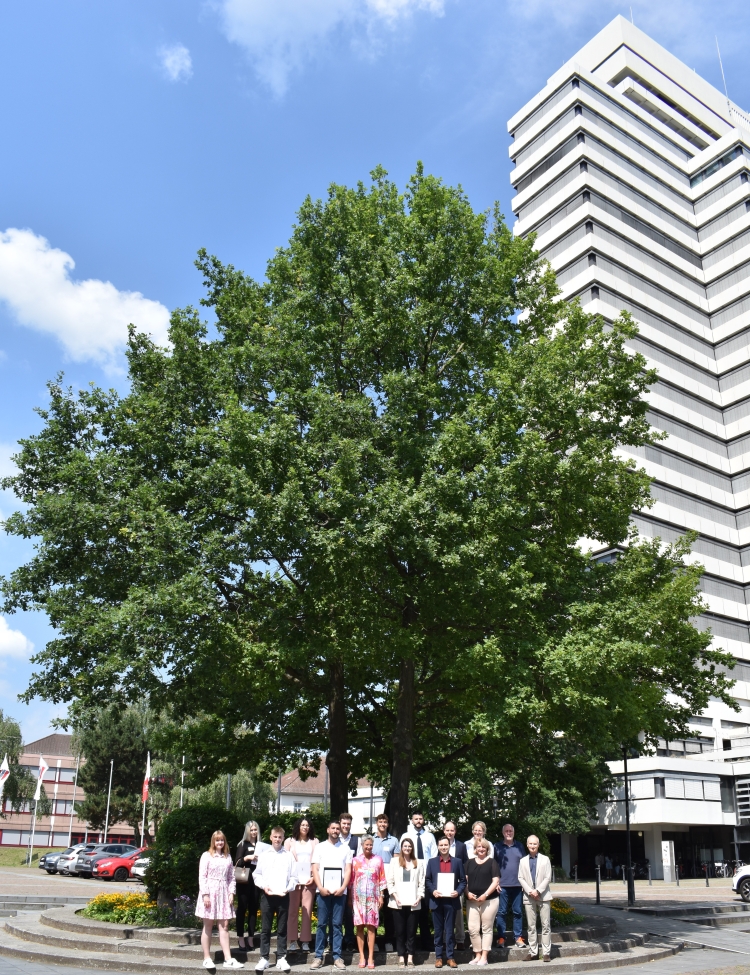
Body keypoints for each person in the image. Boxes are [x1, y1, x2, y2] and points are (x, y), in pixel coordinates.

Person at [197, 830, 244, 970]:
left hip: (224, 893)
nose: (220, 842)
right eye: (217, 840)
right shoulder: (206, 856)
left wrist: (231, 893)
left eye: (222, 840)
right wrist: (205, 894)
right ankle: (206, 957)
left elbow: (231, 877)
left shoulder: (227, 857)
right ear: (213, 841)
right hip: (210, 893)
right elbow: (202, 876)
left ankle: (228, 958)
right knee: (208, 925)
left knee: (224, 926)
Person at [310, 819, 353, 970]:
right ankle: (318, 956)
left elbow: (348, 870)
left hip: (340, 892)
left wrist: (343, 888)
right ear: (328, 830)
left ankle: (337, 956)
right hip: (323, 892)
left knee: (336, 924)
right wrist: (320, 887)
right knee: (321, 924)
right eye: (333, 828)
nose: (335, 830)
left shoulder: (346, 848)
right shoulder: (320, 847)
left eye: (337, 828)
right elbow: (315, 869)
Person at [253, 826, 296, 972]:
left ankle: (281, 958)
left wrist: (288, 888)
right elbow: (256, 875)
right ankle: (264, 958)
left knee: (282, 928)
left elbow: (294, 877)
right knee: (265, 929)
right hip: (268, 896)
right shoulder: (264, 855)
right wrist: (264, 886)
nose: (277, 839)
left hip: (283, 896)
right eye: (275, 837)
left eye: (280, 837)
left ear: (283, 838)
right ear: (271, 837)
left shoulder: (289, 856)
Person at [425, 835, 466, 969]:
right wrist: (433, 891)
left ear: (449, 846)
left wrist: (458, 891)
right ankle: (438, 957)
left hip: (451, 901)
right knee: (438, 930)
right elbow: (428, 880)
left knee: (449, 930)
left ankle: (450, 957)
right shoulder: (431, 862)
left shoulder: (457, 862)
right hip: (437, 900)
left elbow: (463, 881)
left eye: (446, 845)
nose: (443, 847)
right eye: (441, 845)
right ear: (438, 846)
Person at [400, 811, 437, 950]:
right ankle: (409, 944)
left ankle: (427, 943)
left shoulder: (429, 837)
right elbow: (401, 856)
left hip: (426, 877)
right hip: (410, 878)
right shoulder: (406, 836)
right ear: (412, 820)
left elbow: (433, 857)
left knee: (423, 911)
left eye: (421, 818)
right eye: (416, 818)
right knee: (409, 911)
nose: (418, 821)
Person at [386, 837, 425, 968]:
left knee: (411, 931)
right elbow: (389, 882)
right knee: (400, 931)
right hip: (398, 903)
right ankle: (401, 956)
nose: (407, 848)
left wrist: (419, 897)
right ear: (401, 848)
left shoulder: (418, 862)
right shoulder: (394, 861)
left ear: (412, 848)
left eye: (409, 846)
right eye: (405, 846)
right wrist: (395, 897)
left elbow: (421, 883)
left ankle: (410, 957)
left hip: (414, 903)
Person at [349, 835, 387, 969]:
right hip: (358, 899)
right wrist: (349, 898)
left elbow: (382, 879)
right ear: (362, 845)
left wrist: (381, 895)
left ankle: (371, 956)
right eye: (366, 844)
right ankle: (361, 956)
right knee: (359, 927)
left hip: (373, 898)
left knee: (371, 927)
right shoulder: (355, 861)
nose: (369, 847)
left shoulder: (378, 860)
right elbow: (351, 881)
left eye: (371, 845)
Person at [285, 817, 319, 953]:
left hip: (309, 881)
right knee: (292, 911)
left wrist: (313, 877)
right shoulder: (289, 842)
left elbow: (318, 862)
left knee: (307, 911)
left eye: (307, 825)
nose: (305, 827)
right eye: (302, 825)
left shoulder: (315, 842)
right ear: (298, 826)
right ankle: (292, 941)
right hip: (294, 881)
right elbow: (286, 861)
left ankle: (305, 941)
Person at [465, 839, 500, 966]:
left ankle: (484, 957)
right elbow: (464, 881)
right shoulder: (469, 863)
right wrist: (467, 893)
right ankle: (477, 955)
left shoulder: (492, 862)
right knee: (473, 929)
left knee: (486, 928)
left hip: (489, 900)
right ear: (475, 848)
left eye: (483, 847)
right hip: (472, 901)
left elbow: (495, 881)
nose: (481, 849)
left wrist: (485, 895)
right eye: (479, 847)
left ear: (487, 849)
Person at [368, 814, 400, 952]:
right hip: (372, 883)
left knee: (389, 914)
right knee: (373, 913)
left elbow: (397, 862)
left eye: (385, 822)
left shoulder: (393, 840)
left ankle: (389, 941)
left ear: (388, 824)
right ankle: (373, 942)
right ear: (376, 823)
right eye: (380, 821)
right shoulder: (371, 840)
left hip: (388, 882)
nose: (382, 824)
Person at [518, 835, 552, 964]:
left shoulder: (545, 859)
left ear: (538, 845)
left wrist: (538, 891)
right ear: (527, 845)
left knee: (545, 925)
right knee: (531, 926)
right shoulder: (522, 861)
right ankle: (533, 952)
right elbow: (520, 877)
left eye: (535, 844)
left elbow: (548, 877)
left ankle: (546, 953)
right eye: (530, 844)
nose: (532, 846)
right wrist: (530, 891)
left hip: (543, 896)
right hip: (529, 896)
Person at [493, 824, 525, 951]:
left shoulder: (520, 846)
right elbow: (494, 865)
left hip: (518, 885)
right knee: (501, 912)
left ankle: (518, 937)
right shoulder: (497, 847)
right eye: (506, 831)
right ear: (503, 833)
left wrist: (524, 882)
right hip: (502, 886)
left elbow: (524, 865)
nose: (508, 832)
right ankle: (501, 937)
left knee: (518, 912)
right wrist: (496, 882)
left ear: (514, 832)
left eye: (510, 830)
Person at [236, 821, 265, 951]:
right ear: (247, 831)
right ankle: (240, 937)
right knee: (242, 908)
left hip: (256, 880)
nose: (254, 832)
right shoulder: (243, 844)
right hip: (243, 878)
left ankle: (251, 937)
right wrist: (247, 858)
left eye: (255, 830)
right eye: (251, 830)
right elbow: (237, 862)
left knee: (253, 909)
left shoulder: (261, 845)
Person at [442, 822, 468, 950]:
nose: (449, 833)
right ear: (444, 831)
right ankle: (446, 939)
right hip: (442, 884)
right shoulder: (440, 845)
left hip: (457, 884)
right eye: (447, 830)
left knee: (458, 913)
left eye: (451, 830)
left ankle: (460, 939)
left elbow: (465, 864)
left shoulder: (461, 846)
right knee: (444, 913)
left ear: (455, 831)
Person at [340, 813, 359, 950]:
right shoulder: (335, 839)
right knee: (335, 913)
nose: (346, 826)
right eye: (344, 823)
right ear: (340, 824)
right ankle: (336, 941)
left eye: (348, 824)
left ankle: (350, 941)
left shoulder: (356, 840)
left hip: (352, 881)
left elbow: (358, 862)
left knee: (349, 912)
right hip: (335, 880)